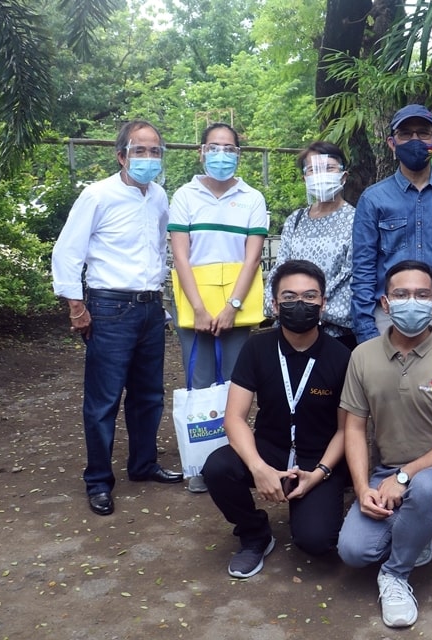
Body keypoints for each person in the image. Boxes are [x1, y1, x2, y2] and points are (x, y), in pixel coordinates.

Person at [337, 260, 432, 628]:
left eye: (421, 294)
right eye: (401, 294)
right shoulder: (362, 356)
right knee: (354, 551)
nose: (411, 302)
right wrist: (360, 489)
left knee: (426, 487)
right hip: (385, 472)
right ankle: (417, 531)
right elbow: (354, 429)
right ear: (385, 304)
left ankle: (395, 576)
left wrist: (405, 477)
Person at [51, 119, 183, 517]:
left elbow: (162, 246)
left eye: (154, 151)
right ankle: (98, 481)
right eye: (139, 150)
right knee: (104, 400)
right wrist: (77, 307)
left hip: (149, 307)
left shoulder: (159, 196)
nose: (147, 158)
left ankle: (143, 465)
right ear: (121, 155)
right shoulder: (97, 196)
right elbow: (67, 253)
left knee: (149, 395)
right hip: (109, 308)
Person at [202, 260, 352, 578]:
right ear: (274, 304)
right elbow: (234, 418)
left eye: (310, 297)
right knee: (217, 467)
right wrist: (258, 468)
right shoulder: (257, 348)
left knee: (316, 541)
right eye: (289, 297)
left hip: (317, 457)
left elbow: (345, 430)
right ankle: (255, 534)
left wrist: (322, 472)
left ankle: (321, 503)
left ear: (324, 304)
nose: (300, 304)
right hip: (269, 446)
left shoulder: (341, 356)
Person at [168, 122, 269, 493]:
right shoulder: (184, 195)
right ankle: (199, 461)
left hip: (236, 308)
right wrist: (198, 308)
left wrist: (232, 306)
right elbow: (180, 256)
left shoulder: (252, 198)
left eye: (229, 148)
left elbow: (253, 257)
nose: (221, 154)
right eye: (214, 147)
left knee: (234, 385)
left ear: (238, 154)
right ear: (201, 152)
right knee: (199, 382)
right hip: (194, 307)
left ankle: (231, 460)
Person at [350, 104, 432, 348]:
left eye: (422, 133)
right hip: (387, 316)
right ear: (392, 143)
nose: (415, 140)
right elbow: (363, 267)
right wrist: (365, 327)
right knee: (385, 385)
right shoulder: (373, 199)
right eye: (406, 134)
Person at [265, 141, 356, 349]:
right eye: (313, 169)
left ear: (344, 175)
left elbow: (351, 276)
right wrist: (285, 308)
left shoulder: (357, 220)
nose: (321, 175)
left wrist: (311, 309)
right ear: (304, 177)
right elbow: (279, 271)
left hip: (335, 335)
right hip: (288, 330)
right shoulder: (295, 220)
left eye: (329, 168)